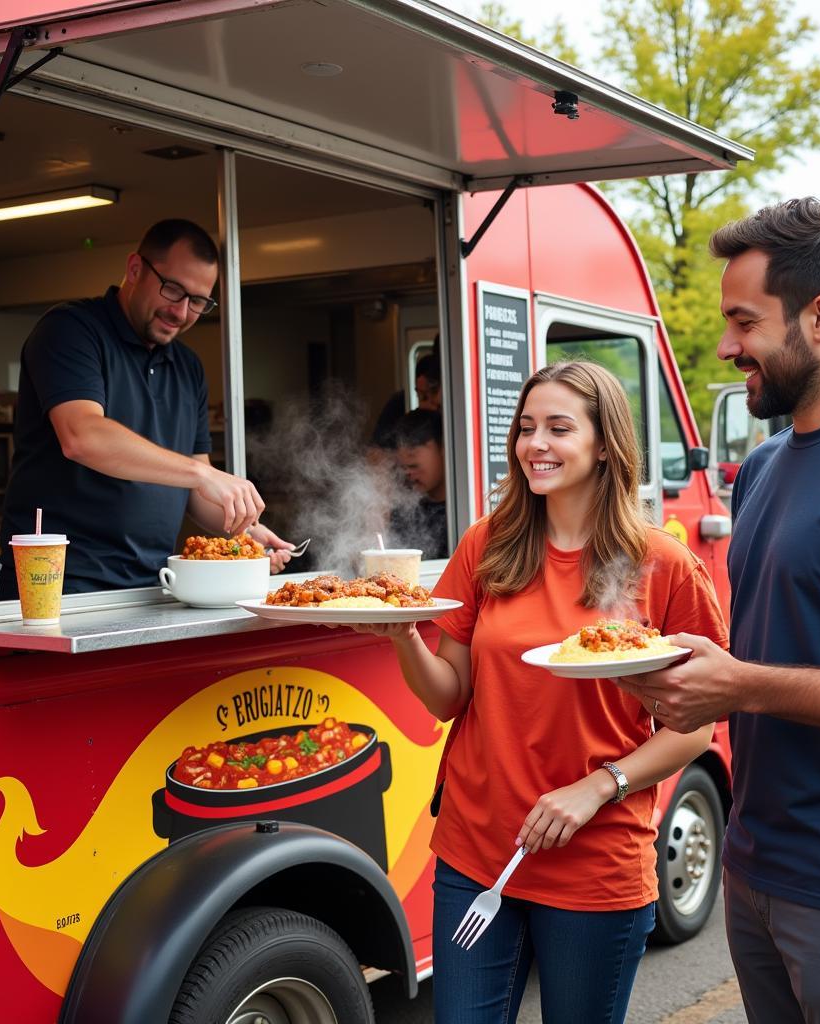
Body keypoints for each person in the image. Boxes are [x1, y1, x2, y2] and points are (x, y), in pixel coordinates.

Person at [618, 198, 820, 1023]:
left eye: (744, 321)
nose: (727, 346)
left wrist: (743, 687)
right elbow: (772, 646)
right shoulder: (762, 468)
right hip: (756, 873)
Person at [350, 361, 727, 1023]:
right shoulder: (487, 545)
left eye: (558, 427)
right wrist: (402, 634)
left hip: (597, 859)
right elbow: (447, 697)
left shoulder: (662, 564)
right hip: (477, 848)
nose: (536, 444)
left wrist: (598, 785)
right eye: (526, 428)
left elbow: (696, 725)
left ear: (605, 442)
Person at [0, 219, 292, 598]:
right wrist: (201, 475)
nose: (182, 312)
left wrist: (243, 532)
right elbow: (82, 436)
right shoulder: (70, 330)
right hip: (61, 585)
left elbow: (195, 492)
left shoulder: (188, 367)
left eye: (198, 301)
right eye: (173, 290)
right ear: (135, 269)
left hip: (155, 585)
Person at [388, 408, 447, 559]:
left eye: (414, 466)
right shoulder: (405, 510)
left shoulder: (463, 511)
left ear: (443, 450)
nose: (409, 474)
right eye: (403, 468)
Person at [369, 347, 442, 449]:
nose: (426, 404)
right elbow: (377, 450)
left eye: (433, 392)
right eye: (421, 396)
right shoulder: (399, 404)